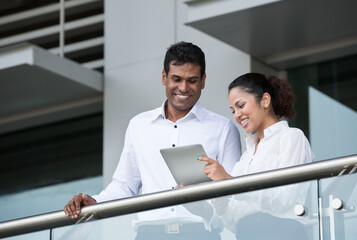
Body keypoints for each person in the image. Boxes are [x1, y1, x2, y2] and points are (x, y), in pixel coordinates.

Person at [64, 41, 241, 240]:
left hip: (201, 232)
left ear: (203, 80)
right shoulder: (139, 125)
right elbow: (125, 185)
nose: (183, 88)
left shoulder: (223, 128)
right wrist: (94, 201)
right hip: (149, 234)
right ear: (164, 77)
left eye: (192, 80)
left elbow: (233, 193)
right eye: (176, 79)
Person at [199, 73, 315, 240]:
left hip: (281, 233)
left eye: (241, 105)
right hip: (247, 234)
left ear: (265, 100)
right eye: (233, 110)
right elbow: (235, 221)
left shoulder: (290, 137)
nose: (237, 115)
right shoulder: (247, 155)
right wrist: (223, 208)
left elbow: (286, 199)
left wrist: (231, 183)